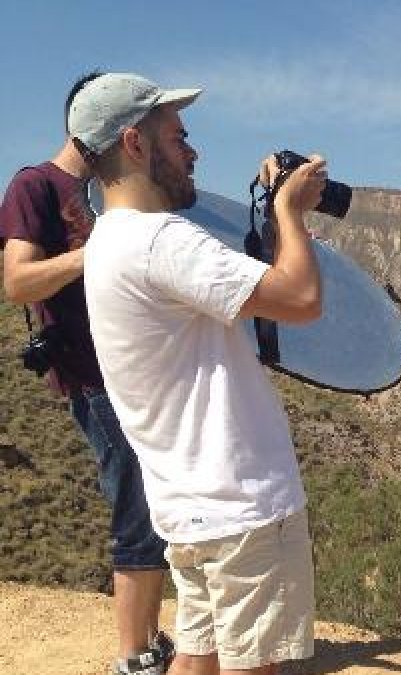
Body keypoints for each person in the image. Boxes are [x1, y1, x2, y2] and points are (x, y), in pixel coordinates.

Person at [69, 71, 327, 674]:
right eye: (178, 137)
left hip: (189, 506)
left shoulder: (110, 240)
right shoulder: (162, 241)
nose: (192, 151)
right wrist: (291, 212)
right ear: (135, 144)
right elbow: (301, 299)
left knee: (197, 659)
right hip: (243, 509)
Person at [0, 71, 175, 675]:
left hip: (135, 372)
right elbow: (18, 280)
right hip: (90, 375)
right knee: (136, 504)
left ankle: (152, 639)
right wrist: (96, 251)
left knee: (155, 505)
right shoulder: (35, 185)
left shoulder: (109, 191)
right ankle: (134, 654)